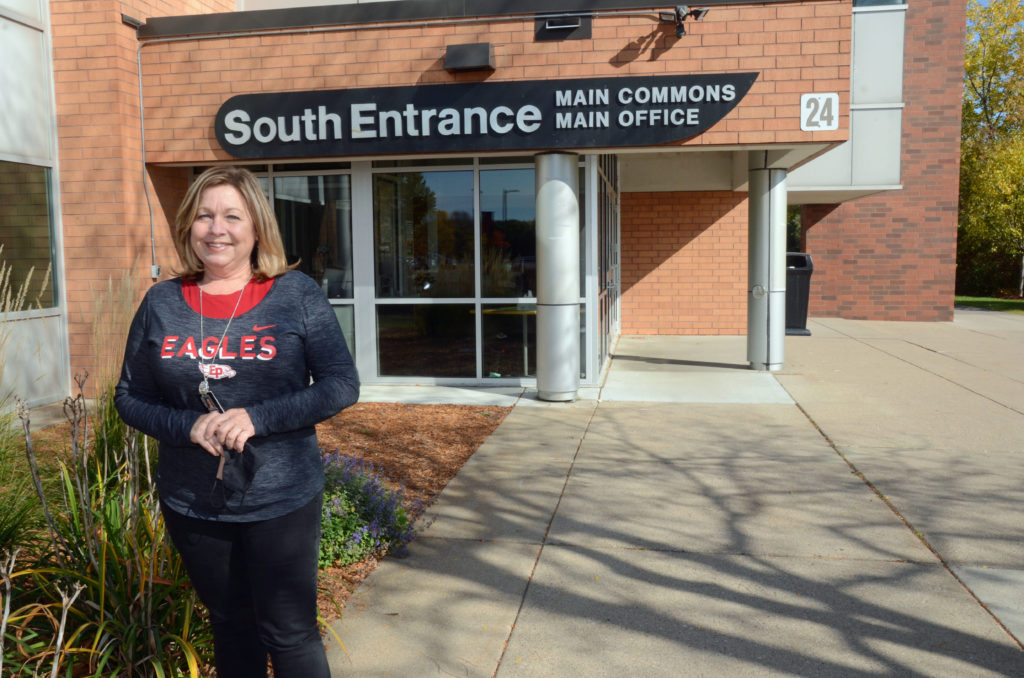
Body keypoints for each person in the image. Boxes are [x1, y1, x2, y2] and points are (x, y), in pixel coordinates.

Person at [115, 166, 359, 678]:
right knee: (229, 622)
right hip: (193, 501)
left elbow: (341, 384)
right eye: (204, 216)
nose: (216, 229)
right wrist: (187, 426)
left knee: (289, 632)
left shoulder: (295, 294)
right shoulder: (161, 301)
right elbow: (130, 398)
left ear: (256, 227)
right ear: (188, 226)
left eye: (231, 216)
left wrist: (258, 417)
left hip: (281, 497)